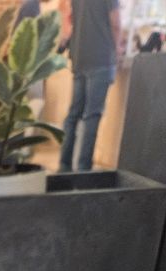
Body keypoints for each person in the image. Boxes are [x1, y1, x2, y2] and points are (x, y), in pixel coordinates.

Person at [59, 0, 122, 171]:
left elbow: (71, 20)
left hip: (80, 57)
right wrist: (118, 49)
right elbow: (115, 23)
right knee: (91, 115)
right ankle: (84, 168)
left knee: (73, 115)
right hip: (101, 57)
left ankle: (64, 165)